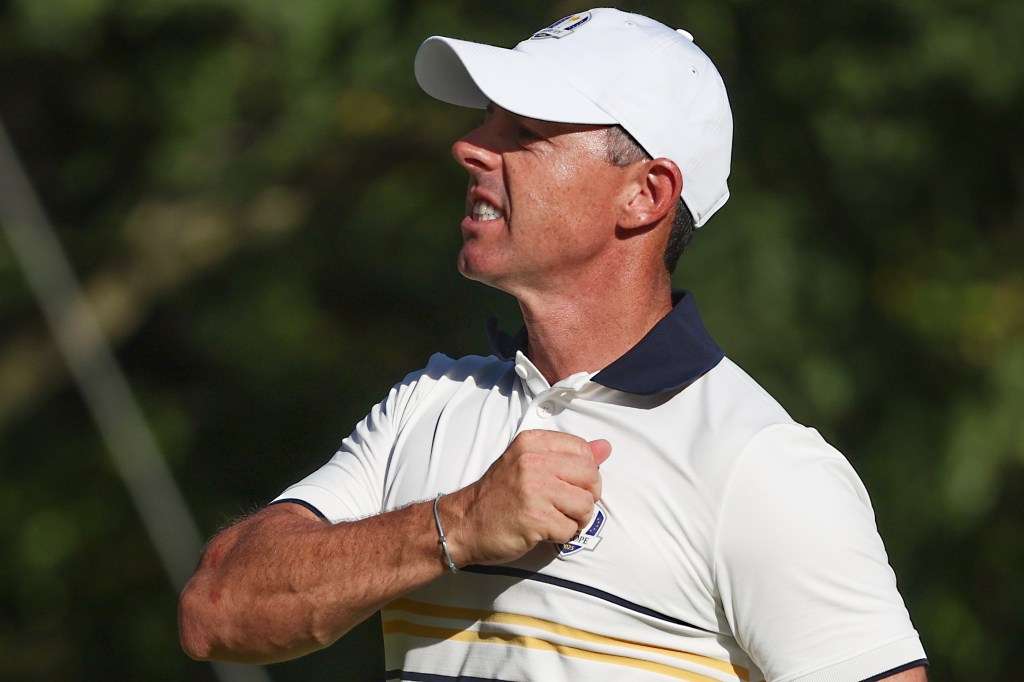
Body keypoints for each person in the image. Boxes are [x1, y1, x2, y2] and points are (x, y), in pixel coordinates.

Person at [179, 8, 928, 681]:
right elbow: (215, 612)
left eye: (524, 133)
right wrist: (456, 525)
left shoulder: (759, 465)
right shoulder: (429, 402)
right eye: (485, 121)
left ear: (646, 195)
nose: (468, 146)